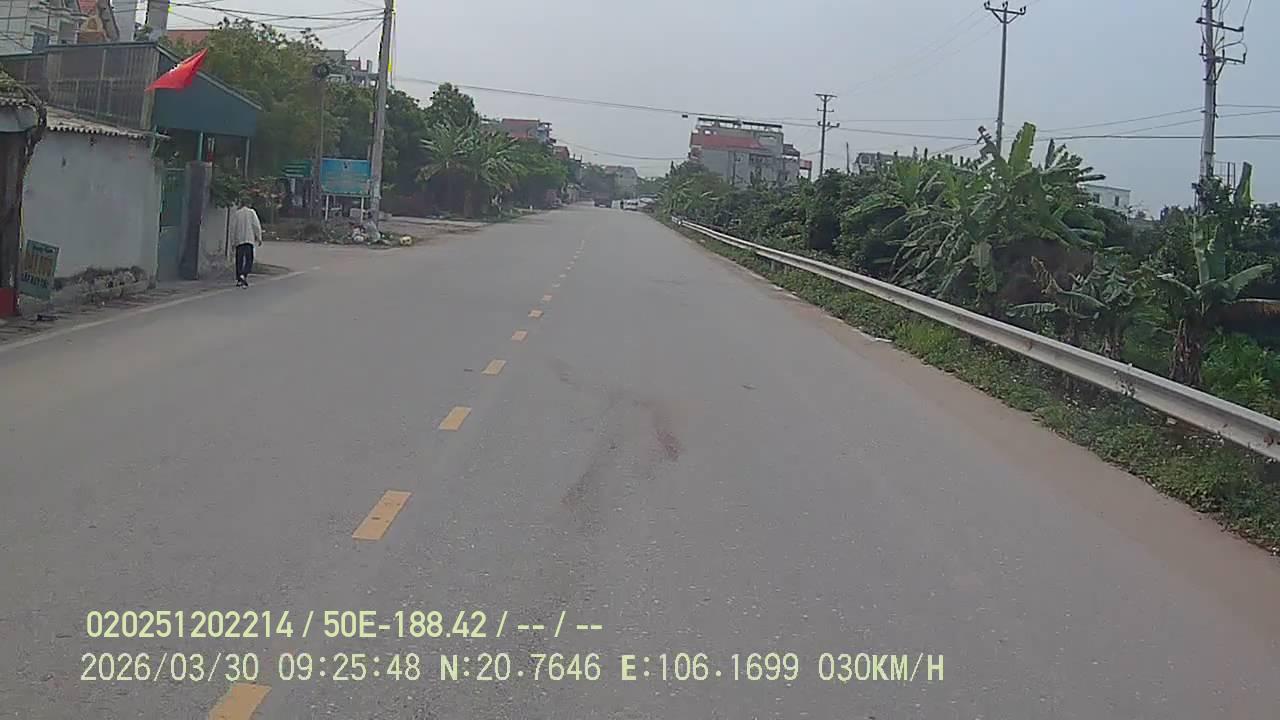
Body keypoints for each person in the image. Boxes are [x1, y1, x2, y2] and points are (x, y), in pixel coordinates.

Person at [230, 199, 263, 287]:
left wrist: (232, 242)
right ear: (249, 204)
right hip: (249, 240)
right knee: (249, 259)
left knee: (239, 260)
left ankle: (239, 278)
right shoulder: (252, 212)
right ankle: (244, 274)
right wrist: (259, 238)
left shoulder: (237, 214)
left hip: (239, 240)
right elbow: (256, 225)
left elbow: (233, 228)